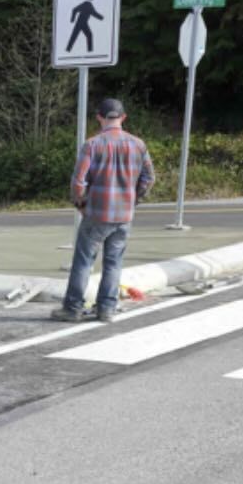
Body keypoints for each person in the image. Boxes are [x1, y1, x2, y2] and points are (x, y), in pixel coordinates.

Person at [54, 98, 155, 324]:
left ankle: (72, 309)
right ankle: (106, 309)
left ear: (99, 117)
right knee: (114, 263)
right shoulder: (139, 144)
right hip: (124, 216)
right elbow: (149, 178)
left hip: (97, 214)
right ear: (123, 117)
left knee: (83, 262)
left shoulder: (92, 144)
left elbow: (78, 182)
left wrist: (81, 205)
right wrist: (133, 199)